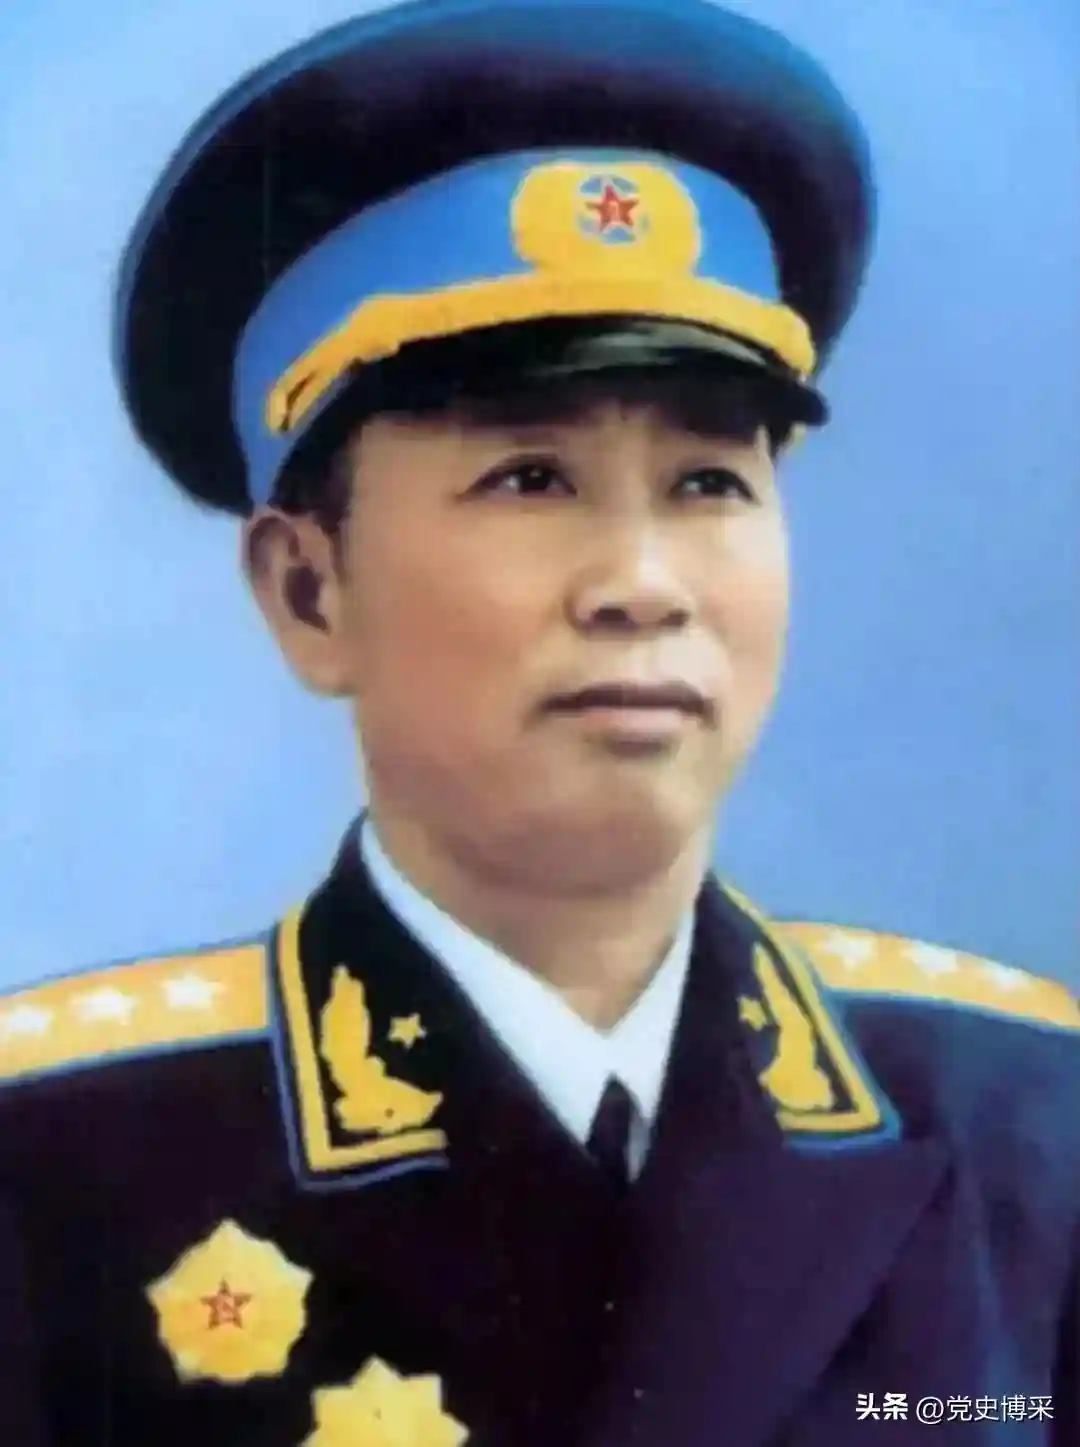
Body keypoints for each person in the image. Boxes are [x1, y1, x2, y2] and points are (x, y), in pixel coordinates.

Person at [0, 1, 1076, 1442]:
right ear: (310, 591)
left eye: (709, 483)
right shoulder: (52, 1169)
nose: (644, 584)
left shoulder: (1028, 1124)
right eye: (528, 478)